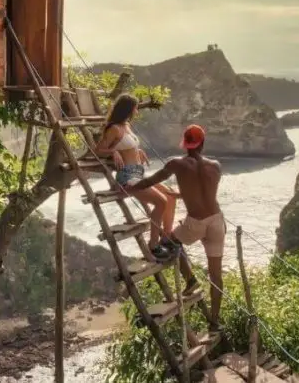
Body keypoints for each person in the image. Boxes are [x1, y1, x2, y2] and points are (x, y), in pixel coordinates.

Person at [125, 124, 224, 331]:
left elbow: (151, 180)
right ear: (203, 143)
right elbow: (204, 191)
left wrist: (131, 188)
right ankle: (214, 322)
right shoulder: (216, 165)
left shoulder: (176, 164)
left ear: (185, 144)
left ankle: (190, 280)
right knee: (216, 275)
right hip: (216, 220)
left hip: (195, 222)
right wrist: (181, 194)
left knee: (168, 242)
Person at [95, 94, 177, 259]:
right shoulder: (114, 129)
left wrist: (136, 150)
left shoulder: (126, 125)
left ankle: (166, 238)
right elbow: (97, 150)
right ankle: (153, 246)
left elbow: (128, 146)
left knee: (170, 195)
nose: (137, 110)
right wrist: (113, 151)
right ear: (128, 109)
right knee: (161, 201)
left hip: (139, 174)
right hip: (127, 177)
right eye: (135, 107)